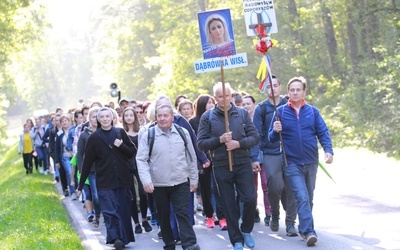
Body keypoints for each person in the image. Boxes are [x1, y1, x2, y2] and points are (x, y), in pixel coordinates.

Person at [268, 76, 334, 247]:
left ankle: (301, 225)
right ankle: (308, 231)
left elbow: (323, 132)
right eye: (292, 90)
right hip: (291, 163)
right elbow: (271, 139)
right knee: (302, 196)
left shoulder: (313, 111)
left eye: (298, 89)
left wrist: (328, 151)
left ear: (304, 91)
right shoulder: (280, 112)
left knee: (309, 197)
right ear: (288, 92)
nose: (295, 92)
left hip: (311, 162)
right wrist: (275, 131)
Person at [197, 82, 260, 250]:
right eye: (220, 96)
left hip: (242, 162)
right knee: (228, 203)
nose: (224, 99)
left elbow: (255, 137)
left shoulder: (242, 114)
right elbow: (201, 144)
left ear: (232, 96)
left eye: (227, 95)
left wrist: (237, 143)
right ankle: (236, 240)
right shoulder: (208, 117)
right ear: (215, 98)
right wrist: (220, 140)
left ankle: (246, 229)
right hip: (221, 165)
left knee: (249, 198)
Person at [136, 104, 200, 250]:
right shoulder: (149, 135)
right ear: (156, 117)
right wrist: (146, 180)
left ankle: (189, 244)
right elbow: (141, 159)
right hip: (158, 184)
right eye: (160, 116)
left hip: (181, 181)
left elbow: (191, 156)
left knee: (183, 213)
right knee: (163, 216)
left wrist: (194, 179)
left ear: (172, 117)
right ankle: (169, 243)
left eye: (166, 115)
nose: (163, 118)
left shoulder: (182, 132)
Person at [76, 107, 136, 250]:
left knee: (122, 210)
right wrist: (80, 184)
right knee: (109, 211)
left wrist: (121, 146)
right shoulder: (94, 138)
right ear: (98, 119)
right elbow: (87, 162)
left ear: (112, 118)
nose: (104, 119)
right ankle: (115, 238)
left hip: (122, 179)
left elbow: (132, 152)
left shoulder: (119, 132)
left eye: (107, 116)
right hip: (104, 181)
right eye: (101, 117)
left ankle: (123, 237)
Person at [251, 76, 298, 236]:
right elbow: (256, 134)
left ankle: (290, 222)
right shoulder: (261, 109)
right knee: (275, 185)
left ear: (280, 87)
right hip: (270, 152)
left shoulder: (288, 104)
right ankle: (275, 214)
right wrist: (255, 157)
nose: (273, 89)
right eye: (269, 87)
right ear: (265, 90)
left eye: (276, 85)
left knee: (291, 187)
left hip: (290, 152)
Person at [121, 107, 152, 234]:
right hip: (127, 166)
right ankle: (137, 223)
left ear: (135, 117)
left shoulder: (142, 131)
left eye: (131, 115)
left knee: (143, 192)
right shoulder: (120, 132)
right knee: (131, 196)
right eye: (126, 115)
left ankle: (144, 219)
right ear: (123, 118)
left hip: (140, 166)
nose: (129, 117)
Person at [242, 95, 272, 225]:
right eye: (243, 104)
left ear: (254, 104)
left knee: (266, 185)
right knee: (251, 188)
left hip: (263, 154)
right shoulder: (240, 119)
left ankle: (269, 213)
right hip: (248, 156)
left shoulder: (261, 116)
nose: (246, 106)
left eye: (248, 103)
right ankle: (253, 211)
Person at [76, 107, 101, 228]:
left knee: (106, 194)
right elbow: (80, 154)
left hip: (105, 169)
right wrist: (82, 170)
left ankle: (105, 214)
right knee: (96, 195)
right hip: (91, 170)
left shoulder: (105, 131)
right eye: (93, 116)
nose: (96, 119)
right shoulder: (84, 135)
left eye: (98, 116)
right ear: (89, 118)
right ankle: (97, 214)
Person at [55, 114, 77, 199]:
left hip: (74, 155)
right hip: (65, 156)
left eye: (66, 121)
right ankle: (73, 192)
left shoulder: (74, 130)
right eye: (62, 121)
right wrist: (57, 161)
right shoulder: (59, 134)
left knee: (76, 174)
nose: (64, 123)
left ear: (69, 121)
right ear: (60, 123)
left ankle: (78, 189)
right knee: (69, 172)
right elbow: (57, 148)